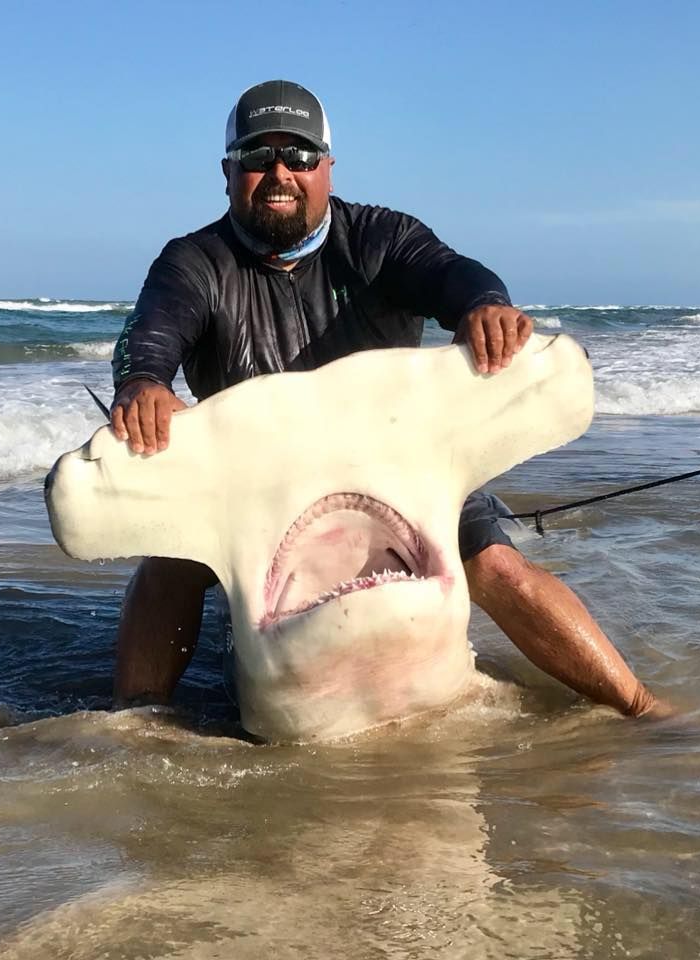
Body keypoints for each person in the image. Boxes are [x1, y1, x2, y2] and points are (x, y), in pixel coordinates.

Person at [108, 79, 664, 719]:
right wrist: (143, 383)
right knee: (170, 563)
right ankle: (132, 726)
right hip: (254, 490)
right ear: (228, 171)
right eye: (259, 158)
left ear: (328, 167)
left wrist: (484, 306)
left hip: (399, 473)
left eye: (300, 156)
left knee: (498, 569)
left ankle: (644, 709)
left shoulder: (380, 238)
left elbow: (456, 274)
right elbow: (148, 335)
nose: (280, 173)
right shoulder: (193, 262)